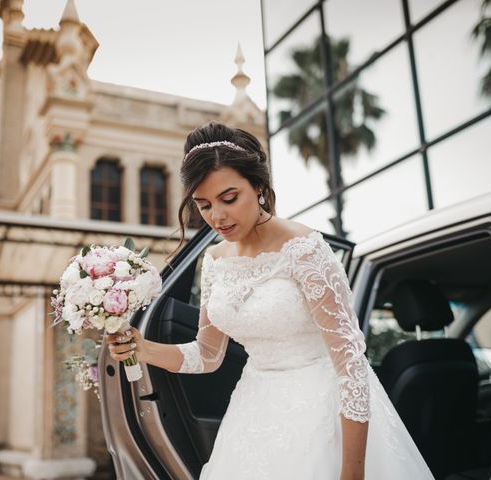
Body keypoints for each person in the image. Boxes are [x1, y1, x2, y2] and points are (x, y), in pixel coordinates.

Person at [107, 122, 434, 479]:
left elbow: (351, 365)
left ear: (259, 186)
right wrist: (144, 348)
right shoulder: (214, 260)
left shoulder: (305, 249)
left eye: (229, 198)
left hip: (323, 412)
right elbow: (207, 355)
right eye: (204, 205)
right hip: (254, 412)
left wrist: (352, 472)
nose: (217, 216)